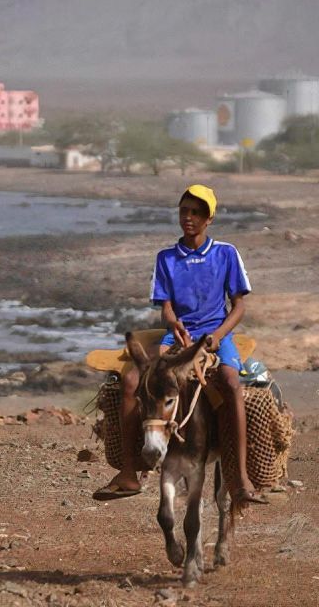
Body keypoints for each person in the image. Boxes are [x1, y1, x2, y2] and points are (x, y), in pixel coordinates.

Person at [93, 184, 260, 503]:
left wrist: (219, 335)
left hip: (215, 333)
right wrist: (174, 324)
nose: (189, 217)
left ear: (209, 218)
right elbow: (166, 306)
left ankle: (239, 477)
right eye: (184, 211)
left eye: (196, 212)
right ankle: (129, 472)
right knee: (131, 380)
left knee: (230, 382)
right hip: (176, 335)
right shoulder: (166, 258)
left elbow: (238, 305)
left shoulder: (226, 253)